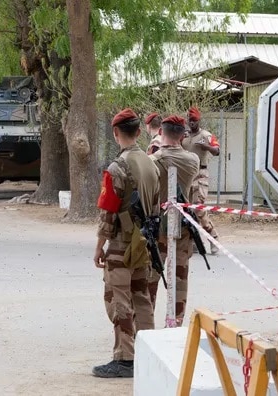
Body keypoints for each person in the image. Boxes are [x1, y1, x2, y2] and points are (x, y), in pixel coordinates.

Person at [92, 108, 160, 378]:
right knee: (142, 296)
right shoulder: (151, 163)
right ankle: (148, 351)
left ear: (115, 133)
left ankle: (125, 358)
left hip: (122, 241)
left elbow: (108, 212)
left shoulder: (116, 167)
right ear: (139, 132)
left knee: (118, 298)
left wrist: (99, 246)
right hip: (144, 240)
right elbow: (156, 204)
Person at [147, 115, 200, 326]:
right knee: (180, 277)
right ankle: (176, 322)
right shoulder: (192, 160)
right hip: (183, 223)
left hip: (156, 223)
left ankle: (145, 322)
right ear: (182, 135)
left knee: (150, 275)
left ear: (161, 132)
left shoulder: (152, 160)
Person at [181, 106, 220, 255]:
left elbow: (217, 151)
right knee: (187, 210)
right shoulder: (184, 136)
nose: (192, 123)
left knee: (198, 208)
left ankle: (213, 237)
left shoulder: (206, 135)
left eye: (194, 121)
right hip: (187, 175)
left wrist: (206, 146)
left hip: (200, 174)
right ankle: (194, 241)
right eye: (190, 121)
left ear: (199, 120)